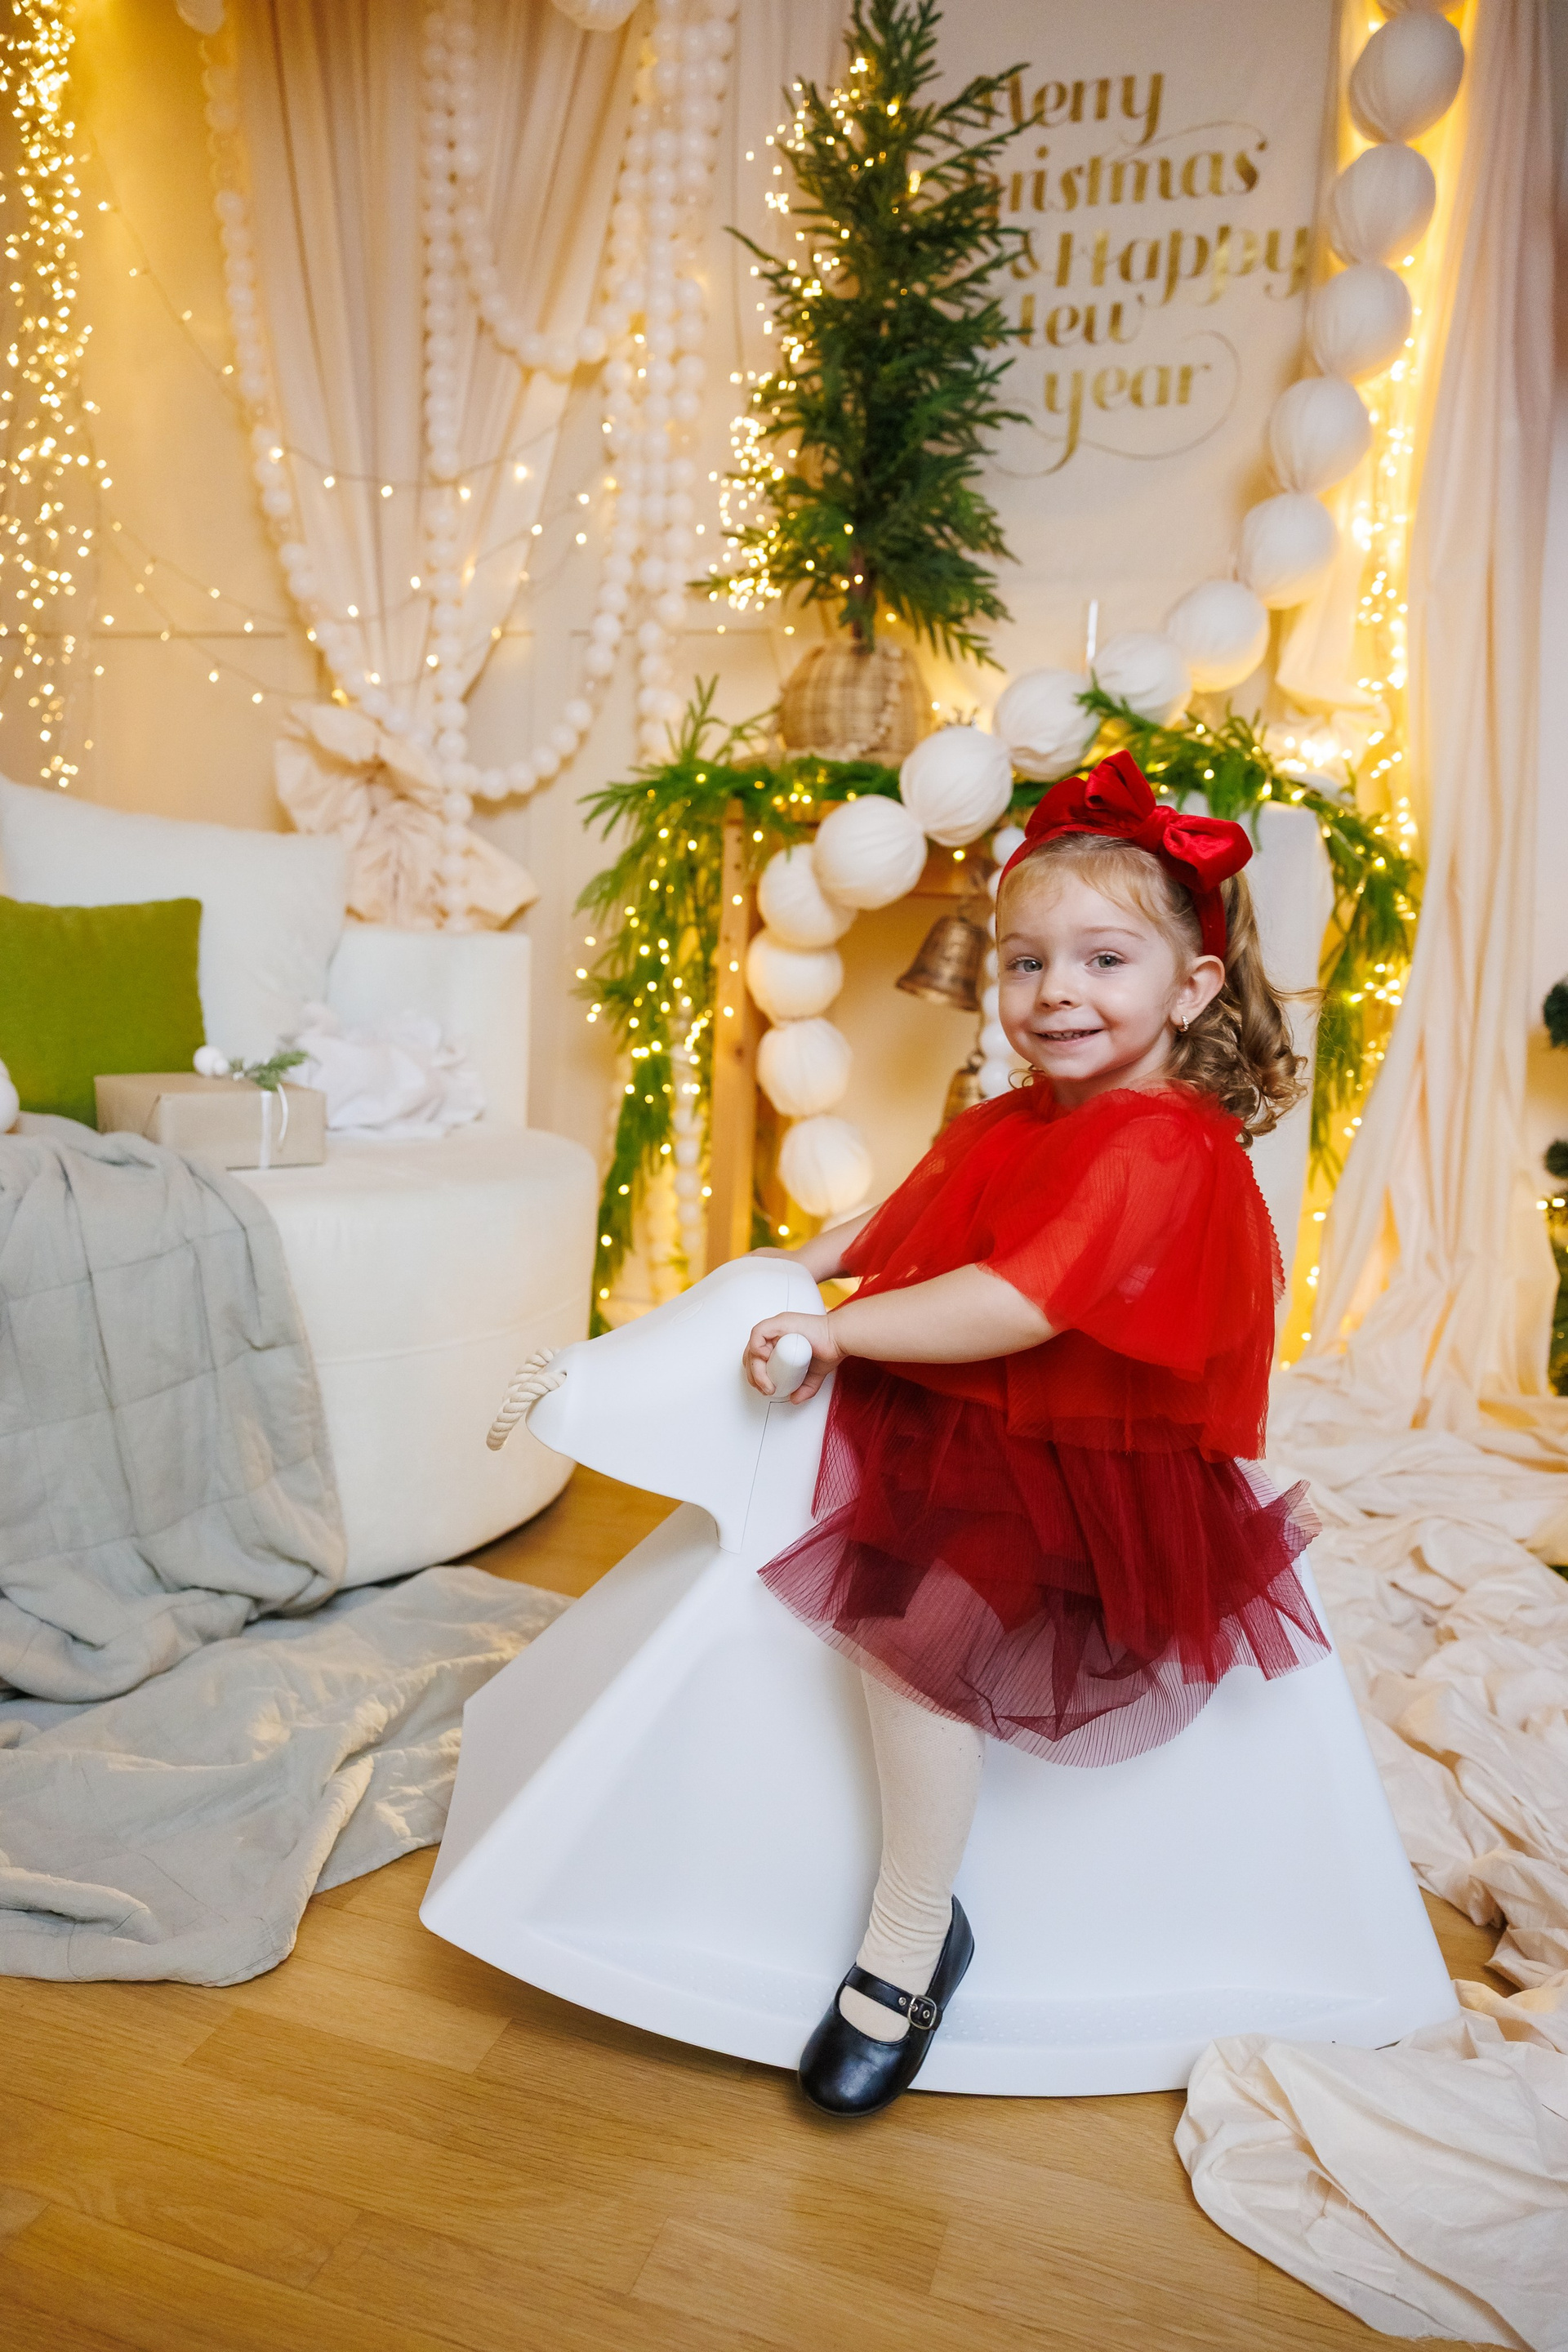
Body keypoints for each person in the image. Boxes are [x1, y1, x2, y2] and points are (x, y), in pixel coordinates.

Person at [742, 748, 1326, 2118]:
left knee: (921, 1642)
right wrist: (800, 1266)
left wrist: (841, 1334)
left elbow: (1021, 1298)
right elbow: (914, 1217)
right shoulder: (1023, 1114)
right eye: (1025, 962)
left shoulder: (1159, 1140)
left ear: (1191, 989)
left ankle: (909, 1937)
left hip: (1083, 1456)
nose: (1056, 991)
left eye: (1104, 961)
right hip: (986, 1406)